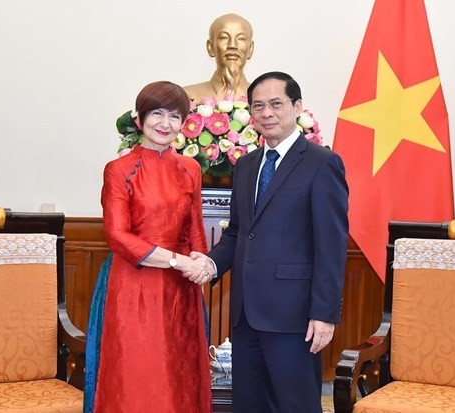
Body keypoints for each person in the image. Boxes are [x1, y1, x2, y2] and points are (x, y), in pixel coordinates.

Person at [192, 72, 349, 412]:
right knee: (249, 405)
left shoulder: (323, 164)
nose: (267, 113)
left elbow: (331, 245)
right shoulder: (246, 166)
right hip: (246, 316)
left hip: (295, 317)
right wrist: (211, 262)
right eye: (258, 106)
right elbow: (237, 232)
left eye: (276, 104)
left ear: (297, 107)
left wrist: (324, 314)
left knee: (296, 405)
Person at [86, 81, 214, 413]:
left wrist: (200, 263)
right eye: (157, 113)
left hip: (181, 289)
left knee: (180, 374)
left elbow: (196, 230)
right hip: (132, 283)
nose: (165, 123)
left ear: (183, 124)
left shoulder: (191, 169)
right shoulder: (119, 170)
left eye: (174, 116)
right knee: (138, 374)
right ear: (140, 119)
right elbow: (117, 236)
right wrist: (178, 262)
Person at [184, 13, 254, 102]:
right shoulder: (187, 97)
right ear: (210, 47)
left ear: (251, 49)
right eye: (224, 37)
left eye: (241, 38)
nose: (232, 45)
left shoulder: (264, 99)